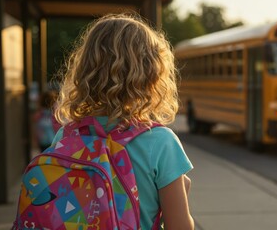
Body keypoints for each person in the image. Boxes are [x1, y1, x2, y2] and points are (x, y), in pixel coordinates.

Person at [53, 13, 194, 230]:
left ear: (85, 69)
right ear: (152, 74)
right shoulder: (160, 142)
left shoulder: (67, 135)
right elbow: (181, 227)